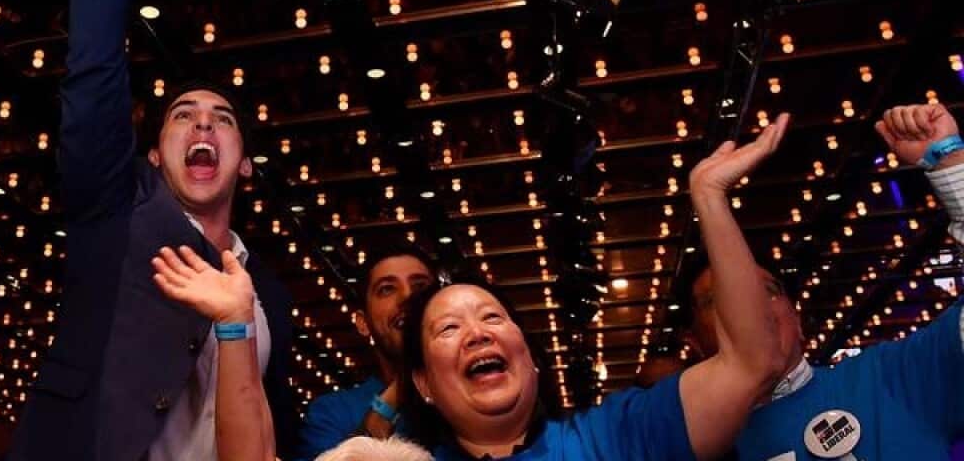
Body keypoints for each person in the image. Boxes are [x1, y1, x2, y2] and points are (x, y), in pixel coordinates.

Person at [8, 0, 296, 461]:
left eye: (222, 119)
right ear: (151, 154)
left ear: (245, 164)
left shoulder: (268, 292)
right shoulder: (116, 215)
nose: (201, 124)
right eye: (182, 116)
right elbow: (95, 72)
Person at [397, 114, 795, 460]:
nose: (477, 334)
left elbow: (750, 361)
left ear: (530, 358)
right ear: (424, 383)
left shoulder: (614, 437)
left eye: (492, 317)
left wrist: (709, 198)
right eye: (449, 328)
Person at [681, 103, 964, 460]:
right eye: (716, 300)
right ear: (694, 342)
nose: (750, 305)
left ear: (797, 319)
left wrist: (949, 163)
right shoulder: (680, 446)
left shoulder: (892, 379)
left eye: (767, 291)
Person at [296, 243, 437, 460]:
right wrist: (401, 386)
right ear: (363, 323)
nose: (408, 297)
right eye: (387, 288)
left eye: (420, 286)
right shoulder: (332, 413)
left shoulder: (473, 392)